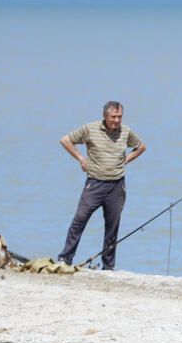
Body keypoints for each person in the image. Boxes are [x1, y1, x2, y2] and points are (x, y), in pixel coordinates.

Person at [56, 101, 146, 270]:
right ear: (105, 116)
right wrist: (82, 159)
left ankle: (108, 267)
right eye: (113, 117)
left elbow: (141, 147)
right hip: (95, 184)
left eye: (119, 117)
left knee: (112, 226)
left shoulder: (125, 131)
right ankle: (65, 259)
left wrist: (126, 160)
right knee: (79, 219)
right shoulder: (90, 129)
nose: (117, 120)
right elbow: (65, 140)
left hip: (117, 186)